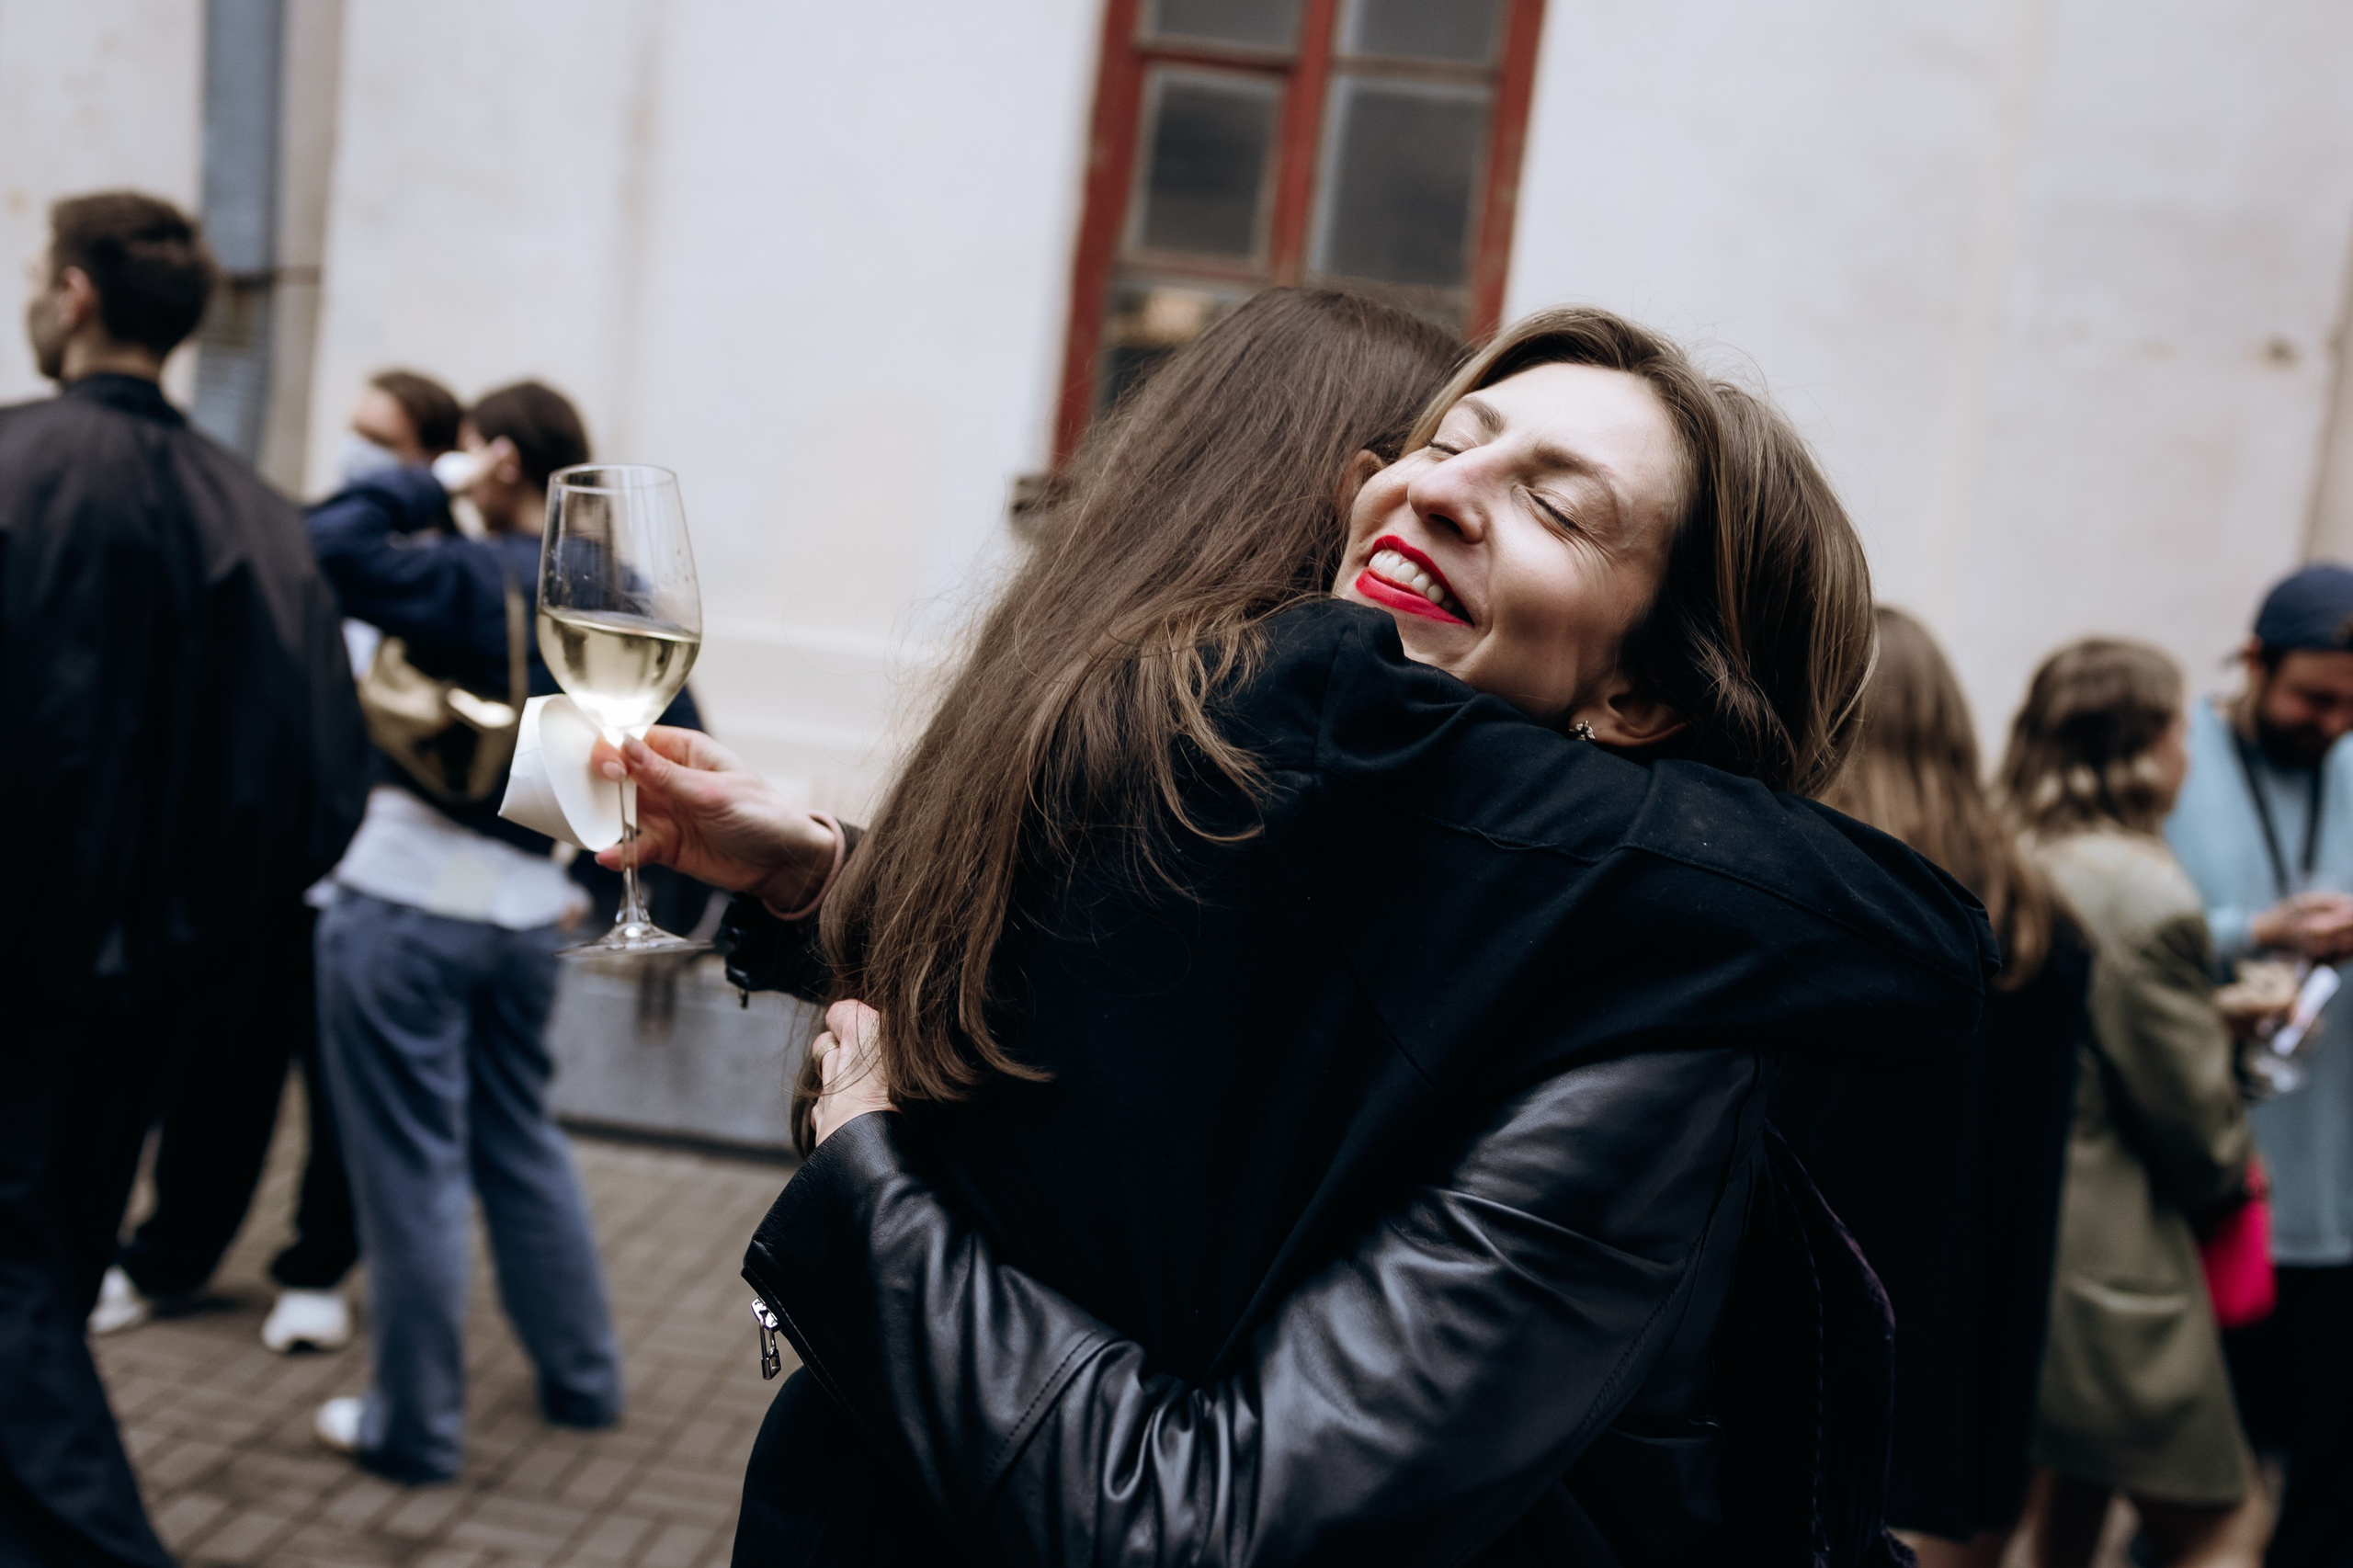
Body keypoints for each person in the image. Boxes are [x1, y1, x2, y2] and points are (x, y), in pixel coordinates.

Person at [606, 291, 1995, 1564]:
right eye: (1450, 440)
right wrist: (824, 885)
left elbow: (1220, 1526)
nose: (1437, 486)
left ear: (1635, 702)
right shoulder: (1289, 827)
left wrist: (870, 1202)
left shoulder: (1638, 1054)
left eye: (1557, 508)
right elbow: (1109, 1056)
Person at [2, 191, 367, 1567]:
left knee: (22, 1300)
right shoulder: (265, 524)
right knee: (41, 1280)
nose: (36, 294)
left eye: (40, 272)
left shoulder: (21, 467)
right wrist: (185, 942)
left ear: (80, 294)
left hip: (55, 990)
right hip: (144, 1002)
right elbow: (322, 791)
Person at [305, 380, 688, 1483]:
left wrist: (433, 480)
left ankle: (413, 1426)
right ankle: (582, 1375)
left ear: (503, 462)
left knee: (412, 1167)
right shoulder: (620, 593)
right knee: (521, 1143)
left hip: (405, 899)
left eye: (473, 452)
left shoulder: (461, 571)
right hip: (530, 910)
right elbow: (681, 743)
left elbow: (322, 537)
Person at [85, 372, 471, 1354]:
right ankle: (166, 1256)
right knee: (217, 1072)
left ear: (429, 459)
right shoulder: (303, 554)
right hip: (272, 871)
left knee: (344, 1097)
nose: (354, 455)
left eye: (377, 440)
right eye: (353, 435)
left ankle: (314, 1270)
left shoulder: (446, 576)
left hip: (380, 879)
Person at [1769, 608, 2088, 1567]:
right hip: (1949, 1341)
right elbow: (2030, 1187)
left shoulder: (1791, 885)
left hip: (1791, 1323)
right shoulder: (2034, 921)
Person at [2003, 639, 2268, 1567]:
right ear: (2144, 744)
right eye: (2176, 724)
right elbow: (2195, 1134)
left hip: (2005, 1243)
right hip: (2108, 1274)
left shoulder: (2008, 849)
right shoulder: (2145, 893)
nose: (2188, 749)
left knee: (2039, 1512)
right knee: (2227, 1519)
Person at [2165, 563, 2353, 1568]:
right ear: (2252, 659)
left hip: (2330, 1198)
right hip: (2206, 1185)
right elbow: (2118, 928)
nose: (2332, 723)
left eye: (2351, 707)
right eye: (2313, 697)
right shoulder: (2175, 754)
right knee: (2189, 1481)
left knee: (2319, 1477)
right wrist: (2257, 931)